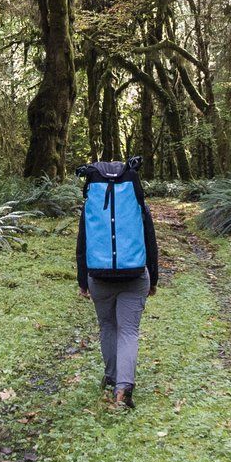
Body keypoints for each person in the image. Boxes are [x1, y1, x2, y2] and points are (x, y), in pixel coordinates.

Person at [76, 157, 160, 409]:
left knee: (108, 327)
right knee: (129, 331)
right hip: (134, 275)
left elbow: (82, 244)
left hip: (99, 275)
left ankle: (112, 377)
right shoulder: (136, 203)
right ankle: (123, 390)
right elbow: (150, 240)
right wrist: (153, 278)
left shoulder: (91, 204)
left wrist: (83, 280)